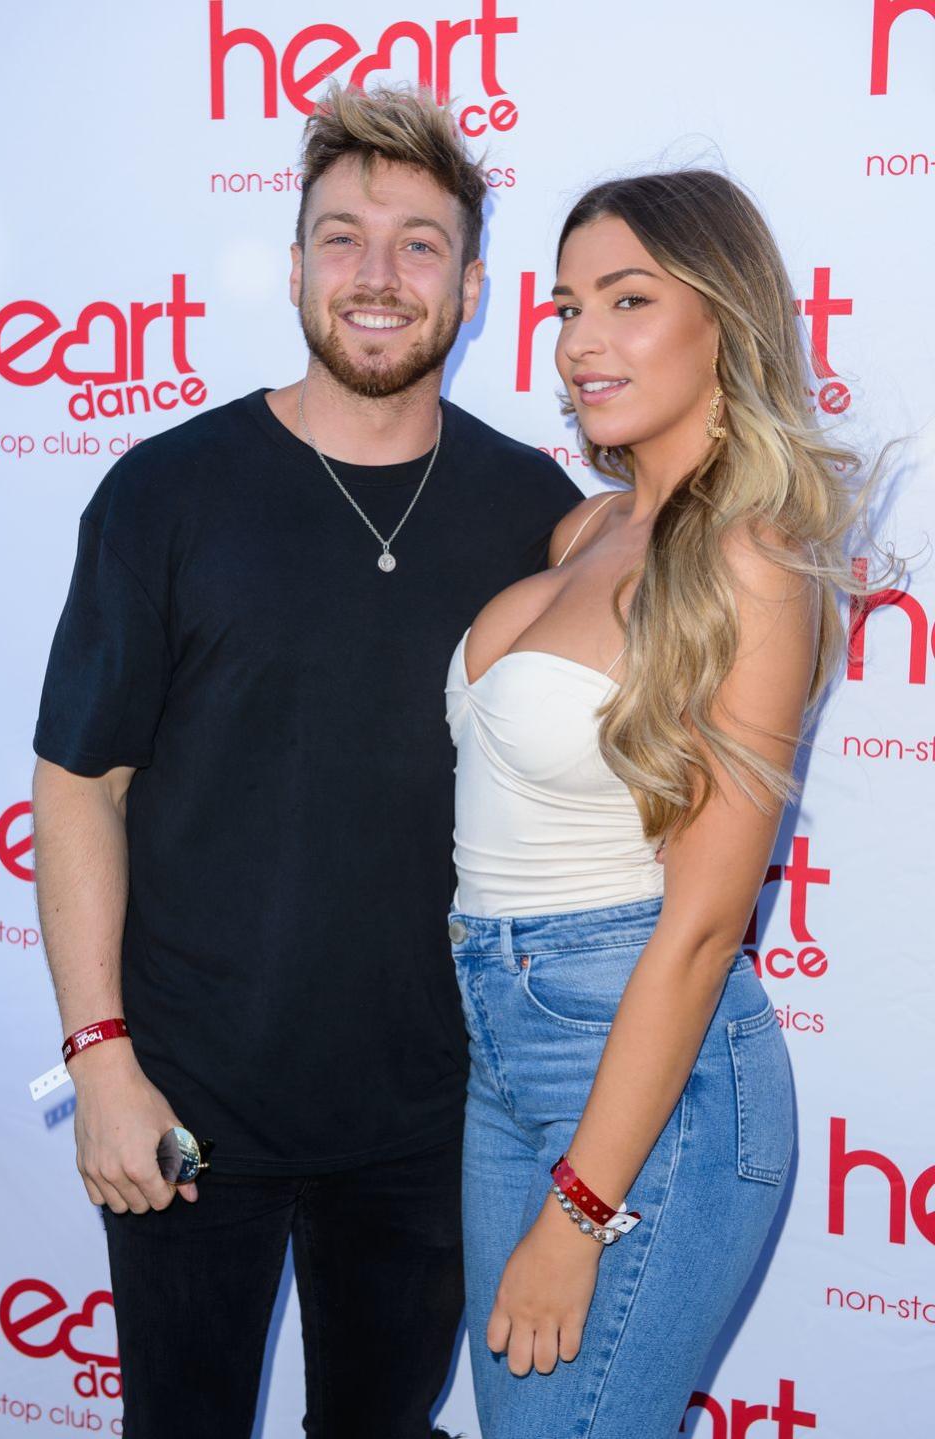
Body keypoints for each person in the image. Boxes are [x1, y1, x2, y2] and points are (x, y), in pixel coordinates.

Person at [30, 84, 580, 1439]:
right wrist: (101, 1057)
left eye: (417, 242)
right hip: (187, 1102)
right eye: (341, 237)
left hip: (437, 1109)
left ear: (471, 287)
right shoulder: (165, 492)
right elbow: (79, 783)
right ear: (292, 265)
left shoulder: (540, 515)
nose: (376, 275)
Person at [445, 169, 874, 1438]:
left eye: (628, 299)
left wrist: (580, 1211)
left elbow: (700, 926)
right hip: (501, 1050)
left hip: (649, 1078)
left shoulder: (752, 553)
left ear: (724, 319)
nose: (581, 340)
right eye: (568, 304)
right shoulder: (591, 528)